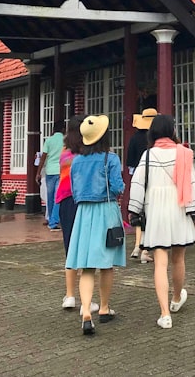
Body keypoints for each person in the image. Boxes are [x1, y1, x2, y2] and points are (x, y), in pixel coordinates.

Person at [127, 114, 195, 330]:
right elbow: (192, 182)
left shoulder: (148, 155)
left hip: (157, 210)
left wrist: (133, 211)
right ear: (172, 131)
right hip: (178, 208)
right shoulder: (184, 154)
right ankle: (177, 298)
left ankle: (165, 314)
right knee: (178, 260)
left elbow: (137, 184)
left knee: (160, 264)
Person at [64, 115, 126, 336]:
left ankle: (86, 313)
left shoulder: (77, 160)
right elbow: (118, 187)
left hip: (83, 213)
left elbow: (73, 188)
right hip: (105, 210)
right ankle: (105, 308)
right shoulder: (111, 158)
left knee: (87, 266)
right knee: (106, 263)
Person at [56, 117, 99, 316]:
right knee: (85, 248)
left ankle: (70, 295)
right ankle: (86, 300)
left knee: (70, 247)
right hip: (84, 201)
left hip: (65, 202)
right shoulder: (87, 154)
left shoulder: (64, 154)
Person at [126, 107, 158, 263]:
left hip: (137, 180)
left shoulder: (134, 138)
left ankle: (137, 244)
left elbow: (130, 164)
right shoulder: (155, 140)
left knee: (138, 213)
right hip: (154, 180)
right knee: (150, 213)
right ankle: (145, 249)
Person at [37, 125, 65, 230]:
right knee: (58, 197)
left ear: (53, 130)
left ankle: (50, 219)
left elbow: (43, 158)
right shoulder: (66, 141)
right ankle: (54, 222)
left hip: (50, 172)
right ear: (63, 129)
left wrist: (38, 173)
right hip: (61, 171)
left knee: (50, 197)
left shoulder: (48, 141)